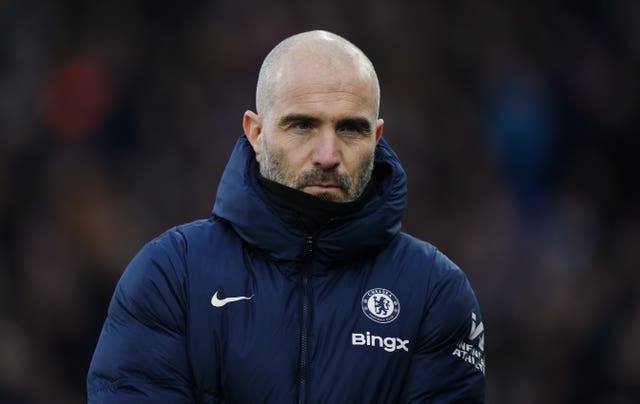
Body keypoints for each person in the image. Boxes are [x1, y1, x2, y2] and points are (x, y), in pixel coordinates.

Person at [87, 30, 486, 403]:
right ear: (256, 133)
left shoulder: (435, 292)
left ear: (376, 138)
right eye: (303, 125)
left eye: (350, 129)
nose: (328, 155)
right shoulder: (171, 275)